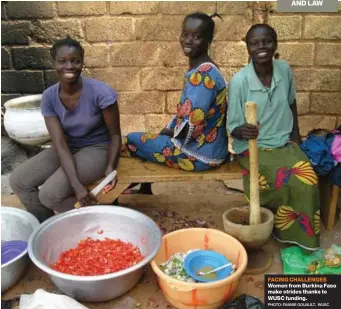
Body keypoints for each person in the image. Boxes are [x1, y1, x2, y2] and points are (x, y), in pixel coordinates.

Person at [227, 24, 320, 251]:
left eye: (267, 41)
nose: (261, 47)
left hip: (284, 142)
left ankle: (300, 237)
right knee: (283, 180)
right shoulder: (240, 81)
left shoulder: (284, 70)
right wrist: (243, 130)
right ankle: (274, 228)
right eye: (255, 43)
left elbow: (291, 103)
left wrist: (296, 138)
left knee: (309, 180)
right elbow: (232, 127)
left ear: (275, 44)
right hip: (253, 147)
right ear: (247, 48)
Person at [10, 37, 121, 222]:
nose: (69, 66)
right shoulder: (49, 97)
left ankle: (100, 221)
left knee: (49, 195)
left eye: (75, 61)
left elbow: (115, 135)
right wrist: (76, 185)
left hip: (98, 148)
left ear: (82, 61)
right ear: (53, 62)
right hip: (68, 147)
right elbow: (60, 143)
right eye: (62, 61)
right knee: (18, 181)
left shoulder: (101, 93)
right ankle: (46, 226)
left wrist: (110, 167)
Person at [121, 12, 228, 194]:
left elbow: (193, 125)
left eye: (196, 36)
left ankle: (118, 191)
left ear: (209, 40)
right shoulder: (209, 68)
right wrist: (170, 131)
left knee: (130, 141)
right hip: (214, 150)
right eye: (185, 34)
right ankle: (145, 187)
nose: (188, 40)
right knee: (152, 140)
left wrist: (171, 132)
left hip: (199, 156)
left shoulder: (201, 76)